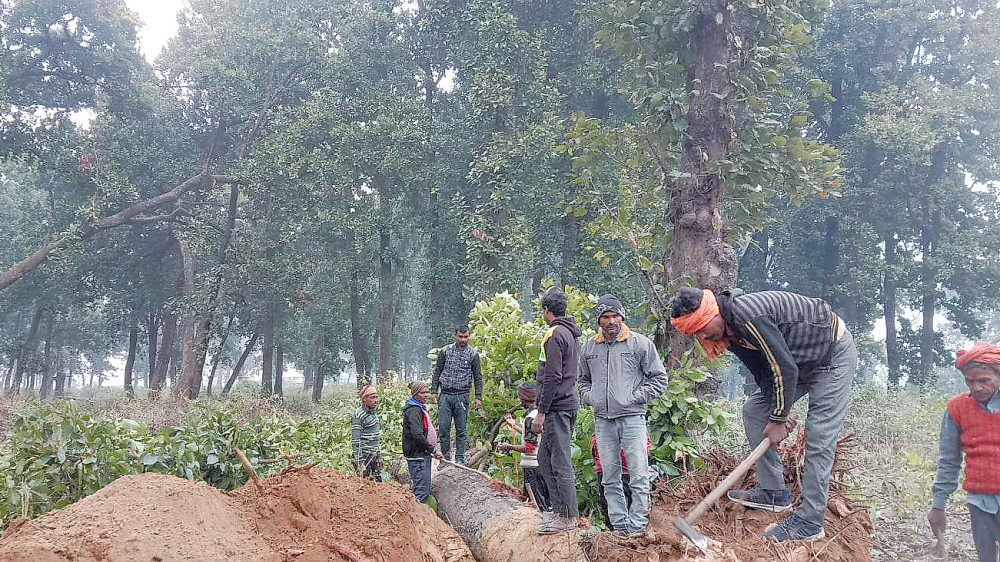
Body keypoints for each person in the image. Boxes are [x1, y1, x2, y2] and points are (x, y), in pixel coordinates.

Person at [670, 287, 857, 542]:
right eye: (696, 333)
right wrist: (778, 410)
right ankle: (773, 493)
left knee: (819, 436)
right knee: (755, 411)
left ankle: (810, 521)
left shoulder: (747, 315)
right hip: (796, 361)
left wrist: (779, 418)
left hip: (830, 355)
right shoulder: (728, 333)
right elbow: (763, 372)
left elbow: (783, 368)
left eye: (703, 327)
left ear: (713, 311)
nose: (704, 336)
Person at [580, 294, 669, 535]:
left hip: (633, 419)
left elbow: (660, 380)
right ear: (599, 320)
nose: (611, 321)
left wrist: (633, 397)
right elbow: (582, 381)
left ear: (622, 316)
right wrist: (592, 398)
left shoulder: (640, 344)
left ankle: (638, 526)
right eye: (606, 316)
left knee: (639, 475)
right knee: (610, 477)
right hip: (603, 421)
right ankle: (619, 527)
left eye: (615, 315)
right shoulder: (589, 346)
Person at [928, 343, 1000, 562]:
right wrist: (938, 505)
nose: (976, 387)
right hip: (980, 502)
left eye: (984, 380)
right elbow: (949, 460)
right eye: (970, 381)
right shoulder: (957, 408)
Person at [533, 288, 582, 535]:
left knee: (560, 461)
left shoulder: (554, 334)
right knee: (543, 458)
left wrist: (541, 411)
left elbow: (552, 376)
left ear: (546, 310)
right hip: (566, 404)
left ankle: (567, 517)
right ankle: (558, 509)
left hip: (557, 408)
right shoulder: (570, 333)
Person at [430, 326, 484, 465]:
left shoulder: (473, 354)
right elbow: (437, 371)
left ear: (469, 337)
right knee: (443, 428)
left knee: (461, 429)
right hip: (446, 395)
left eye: (466, 337)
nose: (463, 340)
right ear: (455, 336)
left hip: (462, 395)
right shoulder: (445, 351)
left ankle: (460, 459)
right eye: (460, 337)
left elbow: (478, 376)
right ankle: (445, 459)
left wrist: (478, 397)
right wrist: (434, 391)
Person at [496, 382, 550, 512]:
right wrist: (514, 426)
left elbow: (529, 448)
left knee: (536, 504)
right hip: (542, 465)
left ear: (523, 398)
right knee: (544, 502)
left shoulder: (530, 418)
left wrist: (508, 446)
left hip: (532, 467)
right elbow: (533, 434)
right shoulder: (540, 414)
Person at [591, 433, 654, 529]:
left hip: (628, 471)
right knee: (612, 512)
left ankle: (632, 533)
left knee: (632, 513)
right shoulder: (602, 425)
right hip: (612, 470)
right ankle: (621, 534)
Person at [403, 380, 442, 502]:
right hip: (418, 456)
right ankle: (415, 517)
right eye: (422, 393)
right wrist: (432, 450)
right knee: (421, 491)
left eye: (427, 392)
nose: (426, 395)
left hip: (422, 454)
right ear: (415, 394)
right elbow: (417, 434)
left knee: (424, 488)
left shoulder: (419, 408)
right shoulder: (414, 410)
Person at [351, 384, 382, 481]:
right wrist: (360, 463)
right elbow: (356, 441)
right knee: (366, 487)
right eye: (372, 397)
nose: (375, 400)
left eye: (376, 397)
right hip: (364, 457)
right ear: (364, 399)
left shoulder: (374, 413)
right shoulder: (358, 415)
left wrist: (379, 456)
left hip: (373, 456)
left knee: (379, 486)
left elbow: (375, 437)